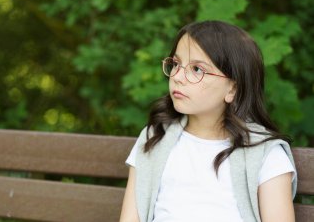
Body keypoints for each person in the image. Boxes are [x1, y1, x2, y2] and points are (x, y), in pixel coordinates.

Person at [119, 20, 297, 222]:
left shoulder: (264, 153)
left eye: (196, 69)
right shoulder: (155, 137)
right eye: (176, 64)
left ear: (233, 89)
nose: (177, 76)